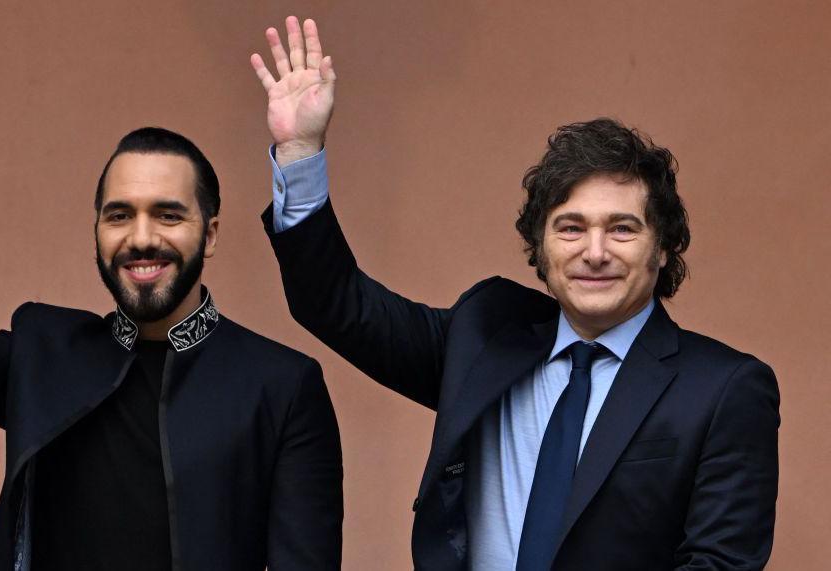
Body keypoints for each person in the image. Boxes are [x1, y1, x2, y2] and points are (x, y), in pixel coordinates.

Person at [251, 16, 779, 571]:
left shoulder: (725, 388)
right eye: (570, 228)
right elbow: (336, 304)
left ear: (664, 246)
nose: (594, 251)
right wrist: (300, 151)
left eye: (622, 228)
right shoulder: (485, 337)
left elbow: (720, 563)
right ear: (540, 247)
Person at [0, 34, 343, 570]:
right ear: (98, 233)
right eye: (119, 215)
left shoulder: (283, 388)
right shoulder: (45, 355)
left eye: (169, 215)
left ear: (212, 233)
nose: (141, 237)